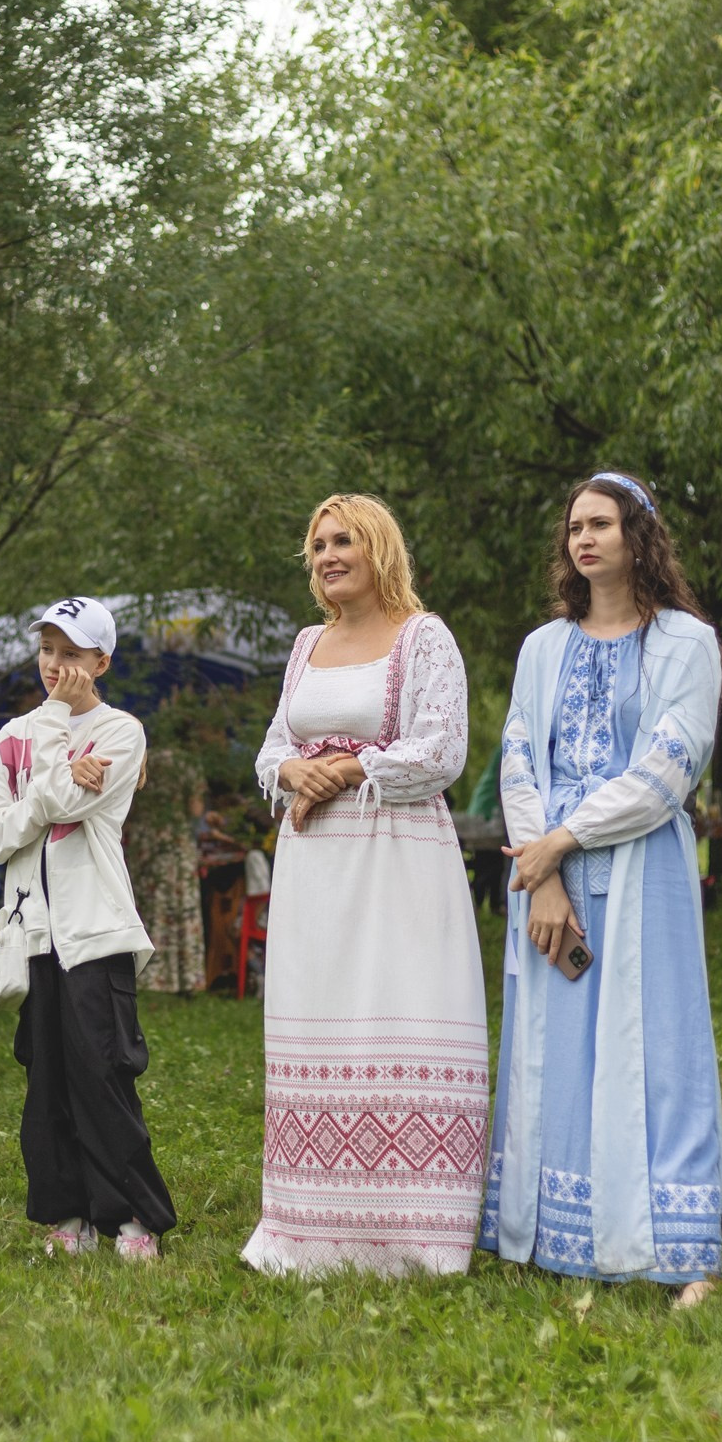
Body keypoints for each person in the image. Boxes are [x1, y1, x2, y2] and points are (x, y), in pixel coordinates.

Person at [494, 471, 722, 1306]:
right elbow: (519, 755)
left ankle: (681, 1248)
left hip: (641, 863)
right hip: (546, 872)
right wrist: (544, 871)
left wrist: (561, 840)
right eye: (574, 527)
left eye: (600, 523)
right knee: (555, 1043)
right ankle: (555, 1228)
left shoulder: (687, 642)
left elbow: (669, 767)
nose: (584, 538)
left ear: (638, 533)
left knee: (656, 1043)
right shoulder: (542, 647)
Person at [245, 495, 488, 1278]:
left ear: (379, 547)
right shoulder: (306, 644)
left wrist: (347, 767)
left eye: (343, 540)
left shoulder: (424, 637)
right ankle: (308, 1227)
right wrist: (295, 770)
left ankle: (415, 1232)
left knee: (398, 1006)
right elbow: (273, 747)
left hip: (397, 856)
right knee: (317, 1019)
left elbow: (441, 750)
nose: (327, 555)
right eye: (317, 545)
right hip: (315, 864)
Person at [0, 597, 176, 1258]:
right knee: (47, 1079)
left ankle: (132, 1219)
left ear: (101, 663)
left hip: (94, 929)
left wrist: (55, 771)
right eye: (47, 650)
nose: (55, 664)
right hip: (32, 932)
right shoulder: (14, 735)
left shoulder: (121, 732)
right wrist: (58, 774)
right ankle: (69, 1216)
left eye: (71, 653)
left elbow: (67, 802)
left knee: (102, 1072)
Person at [123, 744, 206, 996]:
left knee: (148, 905)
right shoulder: (187, 763)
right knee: (182, 907)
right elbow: (195, 809)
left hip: (145, 840)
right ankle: (185, 977)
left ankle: (147, 974)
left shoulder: (143, 756)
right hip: (176, 841)